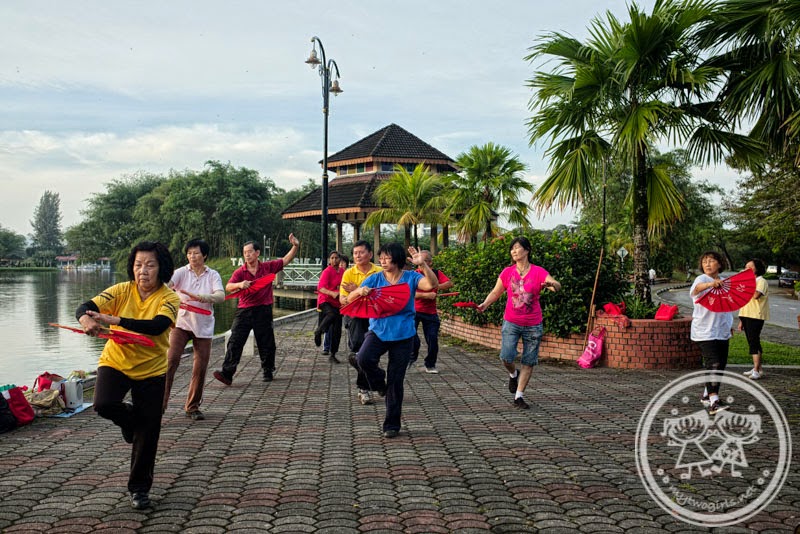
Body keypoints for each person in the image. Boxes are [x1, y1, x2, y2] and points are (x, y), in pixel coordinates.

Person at [76, 241, 180, 510]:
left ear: (161, 268)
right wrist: (86, 320)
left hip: (152, 369)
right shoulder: (122, 291)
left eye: (150, 265)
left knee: (149, 432)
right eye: (137, 265)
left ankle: (139, 489)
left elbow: (157, 327)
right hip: (117, 362)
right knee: (103, 404)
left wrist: (117, 321)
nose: (142, 271)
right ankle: (129, 421)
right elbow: (86, 306)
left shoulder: (169, 298)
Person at [350, 243, 438, 438]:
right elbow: (350, 299)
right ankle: (379, 383)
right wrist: (359, 291)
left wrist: (423, 265)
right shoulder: (374, 278)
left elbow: (432, 285)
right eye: (380, 258)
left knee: (396, 381)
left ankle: (392, 424)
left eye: (386, 258)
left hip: (404, 335)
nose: (382, 261)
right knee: (363, 359)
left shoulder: (411, 277)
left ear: (397, 259)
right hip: (378, 331)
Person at [477, 237, 561, 410]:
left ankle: (519, 396)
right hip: (511, 322)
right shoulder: (507, 272)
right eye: (512, 249)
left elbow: (555, 285)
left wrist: (551, 285)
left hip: (533, 324)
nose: (514, 251)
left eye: (517, 248)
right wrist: (485, 304)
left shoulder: (538, 272)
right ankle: (512, 374)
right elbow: (496, 291)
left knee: (529, 361)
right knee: (506, 357)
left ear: (527, 250)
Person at [213, 235, 299, 385]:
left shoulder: (267, 267)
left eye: (249, 251)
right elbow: (228, 287)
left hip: (263, 309)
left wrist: (295, 246)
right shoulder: (240, 272)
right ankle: (227, 373)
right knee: (235, 341)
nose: (247, 255)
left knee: (266, 341)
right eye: (244, 252)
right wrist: (240, 285)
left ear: (257, 253)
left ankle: (267, 370)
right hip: (244, 310)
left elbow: (285, 260)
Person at [162, 238, 225, 421]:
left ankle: (192, 407)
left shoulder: (212, 275)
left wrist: (201, 297)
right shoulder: (181, 272)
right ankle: (160, 405)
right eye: (189, 253)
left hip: (204, 325)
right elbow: (166, 286)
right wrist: (172, 296)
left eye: (196, 253)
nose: (192, 257)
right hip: (181, 324)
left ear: (204, 255)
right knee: (171, 361)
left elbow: (220, 296)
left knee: (200, 368)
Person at [690, 251, 733, 416]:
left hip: (721, 330)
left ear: (719, 264)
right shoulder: (701, 279)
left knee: (720, 365)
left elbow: (726, 308)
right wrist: (710, 285)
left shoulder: (724, 283)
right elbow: (695, 290)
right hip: (705, 330)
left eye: (711, 261)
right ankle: (714, 402)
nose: (707, 264)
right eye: (704, 261)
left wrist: (729, 325)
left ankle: (707, 394)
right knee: (713, 364)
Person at [340, 240, 382, 405]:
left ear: (370, 254)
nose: (358, 256)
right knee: (359, 351)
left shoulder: (379, 272)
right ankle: (371, 383)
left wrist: (357, 289)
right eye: (355, 253)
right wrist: (359, 292)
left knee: (370, 354)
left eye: (361, 252)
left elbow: (382, 294)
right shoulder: (348, 273)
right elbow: (344, 300)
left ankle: (369, 385)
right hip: (356, 316)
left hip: (375, 316)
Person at [409, 250, 453, 374]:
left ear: (430, 262)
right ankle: (412, 356)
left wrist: (434, 286)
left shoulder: (435, 273)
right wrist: (426, 295)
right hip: (414, 311)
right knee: (412, 337)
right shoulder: (414, 274)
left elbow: (449, 283)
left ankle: (430, 364)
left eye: (424, 262)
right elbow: (409, 292)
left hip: (430, 312)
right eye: (419, 262)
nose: (421, 265)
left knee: (433, 339)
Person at [739, 259, 769, 380]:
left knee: (753, 342)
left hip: (755, 315)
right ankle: (758, 368)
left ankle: (756, 370)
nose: (746, 270)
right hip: (746, 314)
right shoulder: (748, 282)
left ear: (757, 269)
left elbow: (756, 295)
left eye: (750, 267)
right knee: (752, 341)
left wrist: (746, 286)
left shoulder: (761, 281)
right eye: (745, 267)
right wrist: (741, 320)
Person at [314, 250, 344, 364]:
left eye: (336, 258)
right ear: (329, 260)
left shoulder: (342, 271)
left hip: (337, 303)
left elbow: (344, 284)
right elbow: (320, 288)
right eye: (332, 258)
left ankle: (333, 354)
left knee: (337, 330)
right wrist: (332, 293)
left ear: (340, 260)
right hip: (325, 300)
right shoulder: (327, 271)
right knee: (331, 314)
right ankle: (319, 331)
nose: (334, 260)